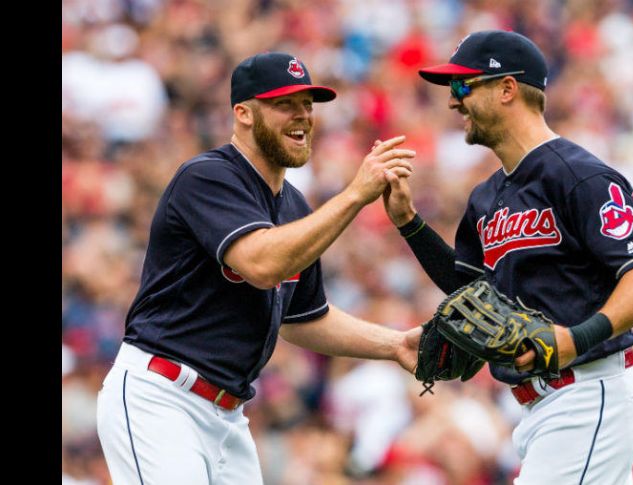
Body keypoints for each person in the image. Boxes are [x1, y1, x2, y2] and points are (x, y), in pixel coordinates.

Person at [96, 52, 422, 485]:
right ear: (243, 113)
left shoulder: (293, 206)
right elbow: (262, 264)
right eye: (285, 103)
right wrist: (355, 194)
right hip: (161, 397)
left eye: (308, 104)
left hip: (228, 416)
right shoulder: (207, 177)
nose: (302, 116)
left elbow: (304, 318)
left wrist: (394, 344)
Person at [383, 30, 633, 485]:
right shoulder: (487, 196)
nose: (454, 102)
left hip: (589, 391)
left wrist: (577, 338)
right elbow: (468, 290)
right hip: (542, 406)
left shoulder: (579, 175)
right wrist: (408, 222)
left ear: (506, 89)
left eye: (463, 86)